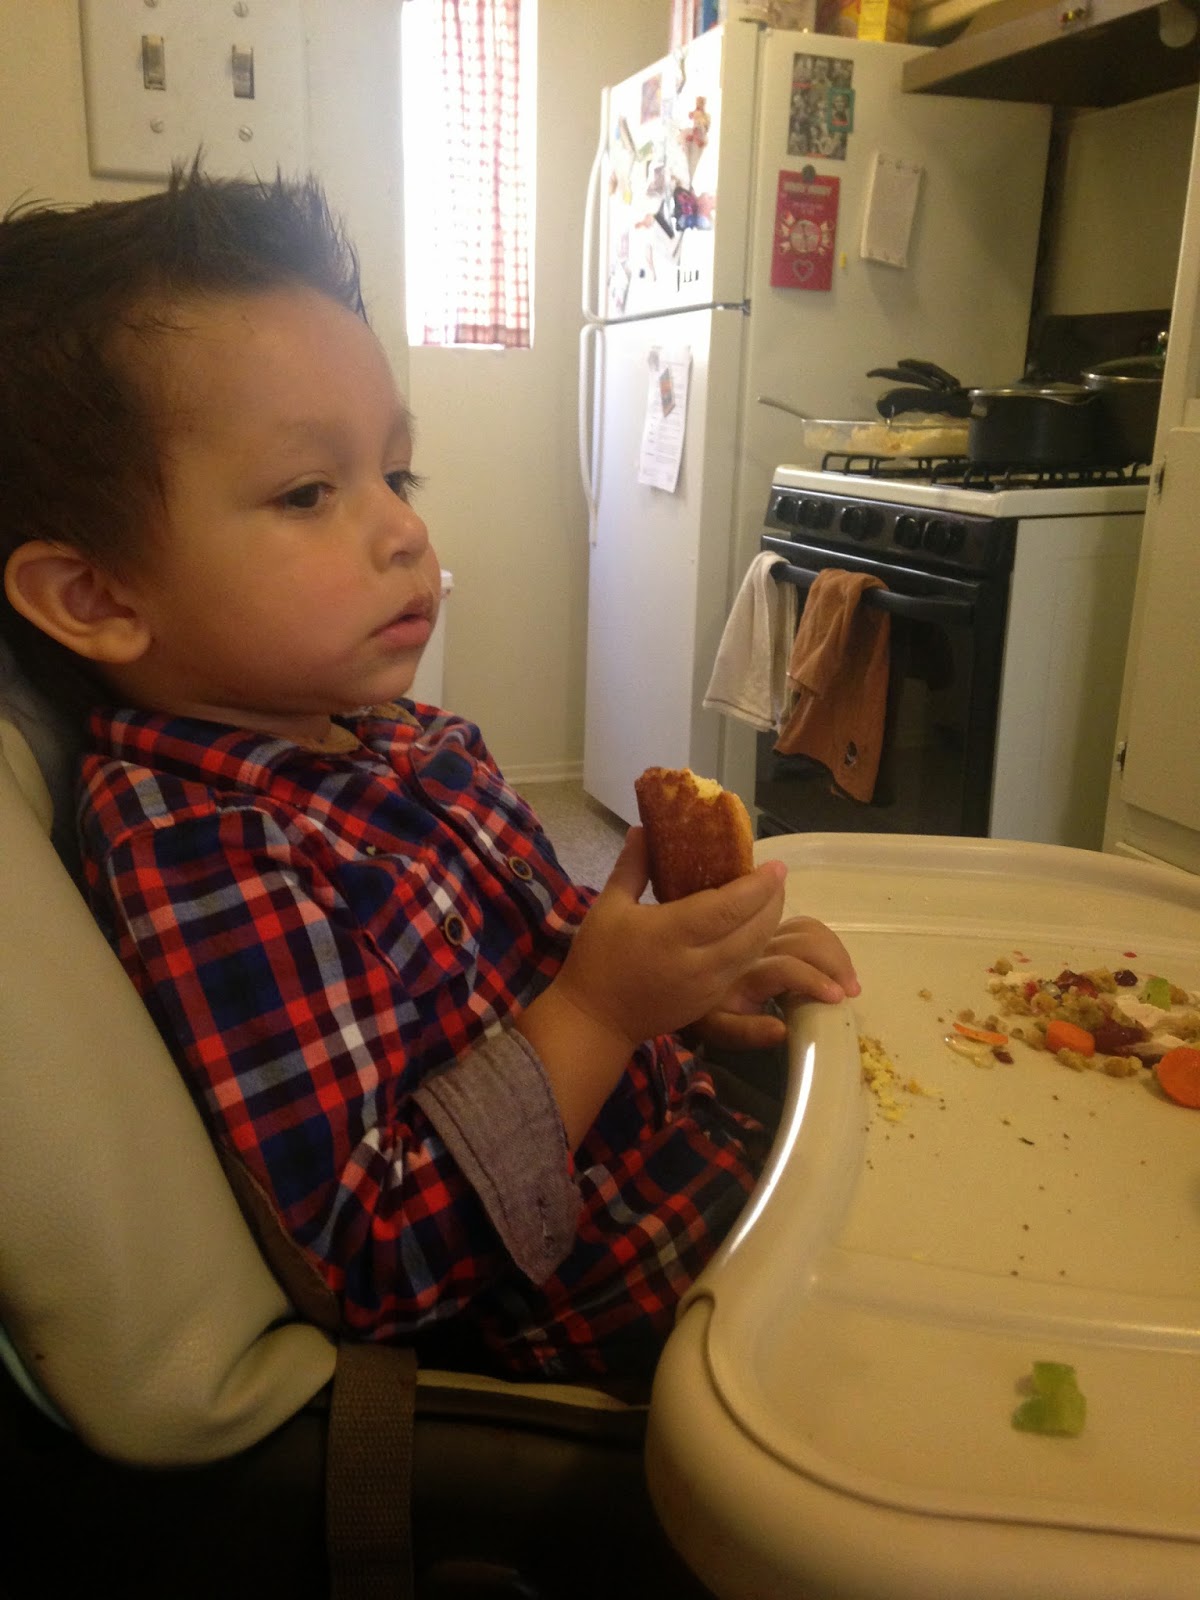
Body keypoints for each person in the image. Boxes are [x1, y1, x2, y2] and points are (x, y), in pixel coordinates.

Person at [0, 167, 859, 1383]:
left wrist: (682, 993)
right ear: (98, 598)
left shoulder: (418, 742)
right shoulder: (200, 848)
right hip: (666, 1332)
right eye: (309, 492)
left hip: (731, 1173)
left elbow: (538, 966)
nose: (404, 530)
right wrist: (603, 1013)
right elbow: (379, 1251)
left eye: (395, 475)